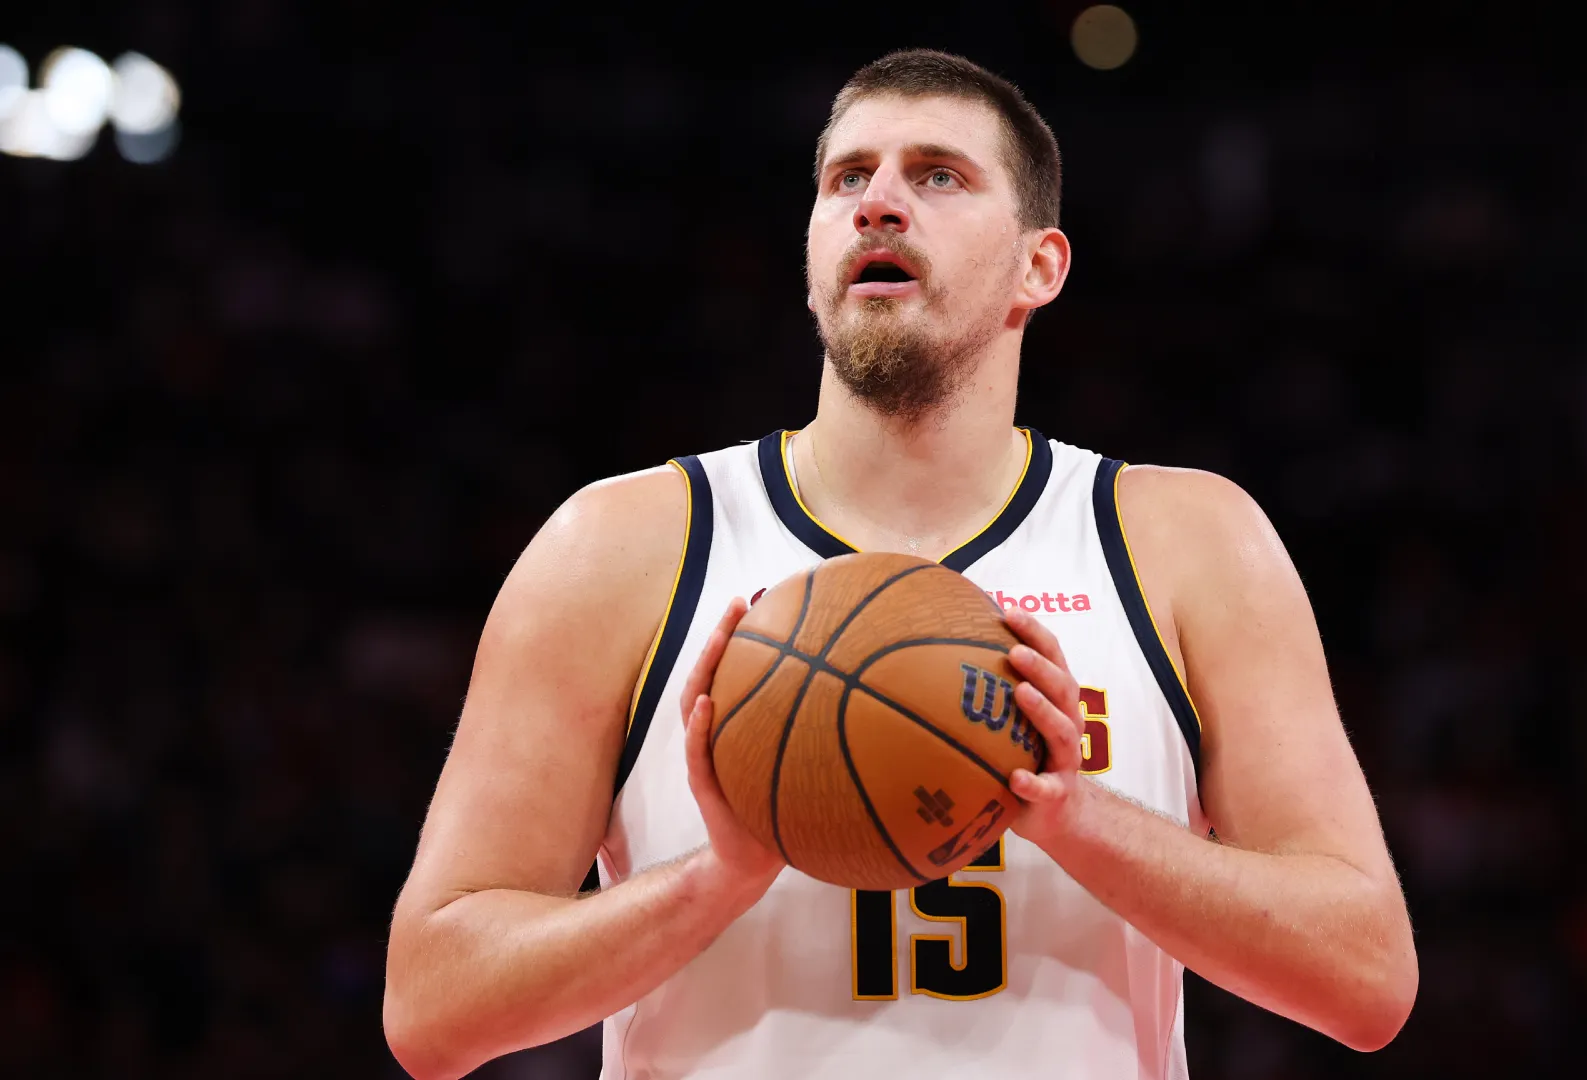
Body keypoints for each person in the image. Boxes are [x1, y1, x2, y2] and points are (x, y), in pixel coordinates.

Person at [383, 49, 1417, 1080]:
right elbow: (431, 1009)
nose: (878, 203)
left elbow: (1366, 979)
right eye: (847, 178)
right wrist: (719, 878)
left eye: (938, 176)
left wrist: (1072, 815)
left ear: (1038, 266)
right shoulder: (620, 547)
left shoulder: (1186, 542)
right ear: (811, 251)